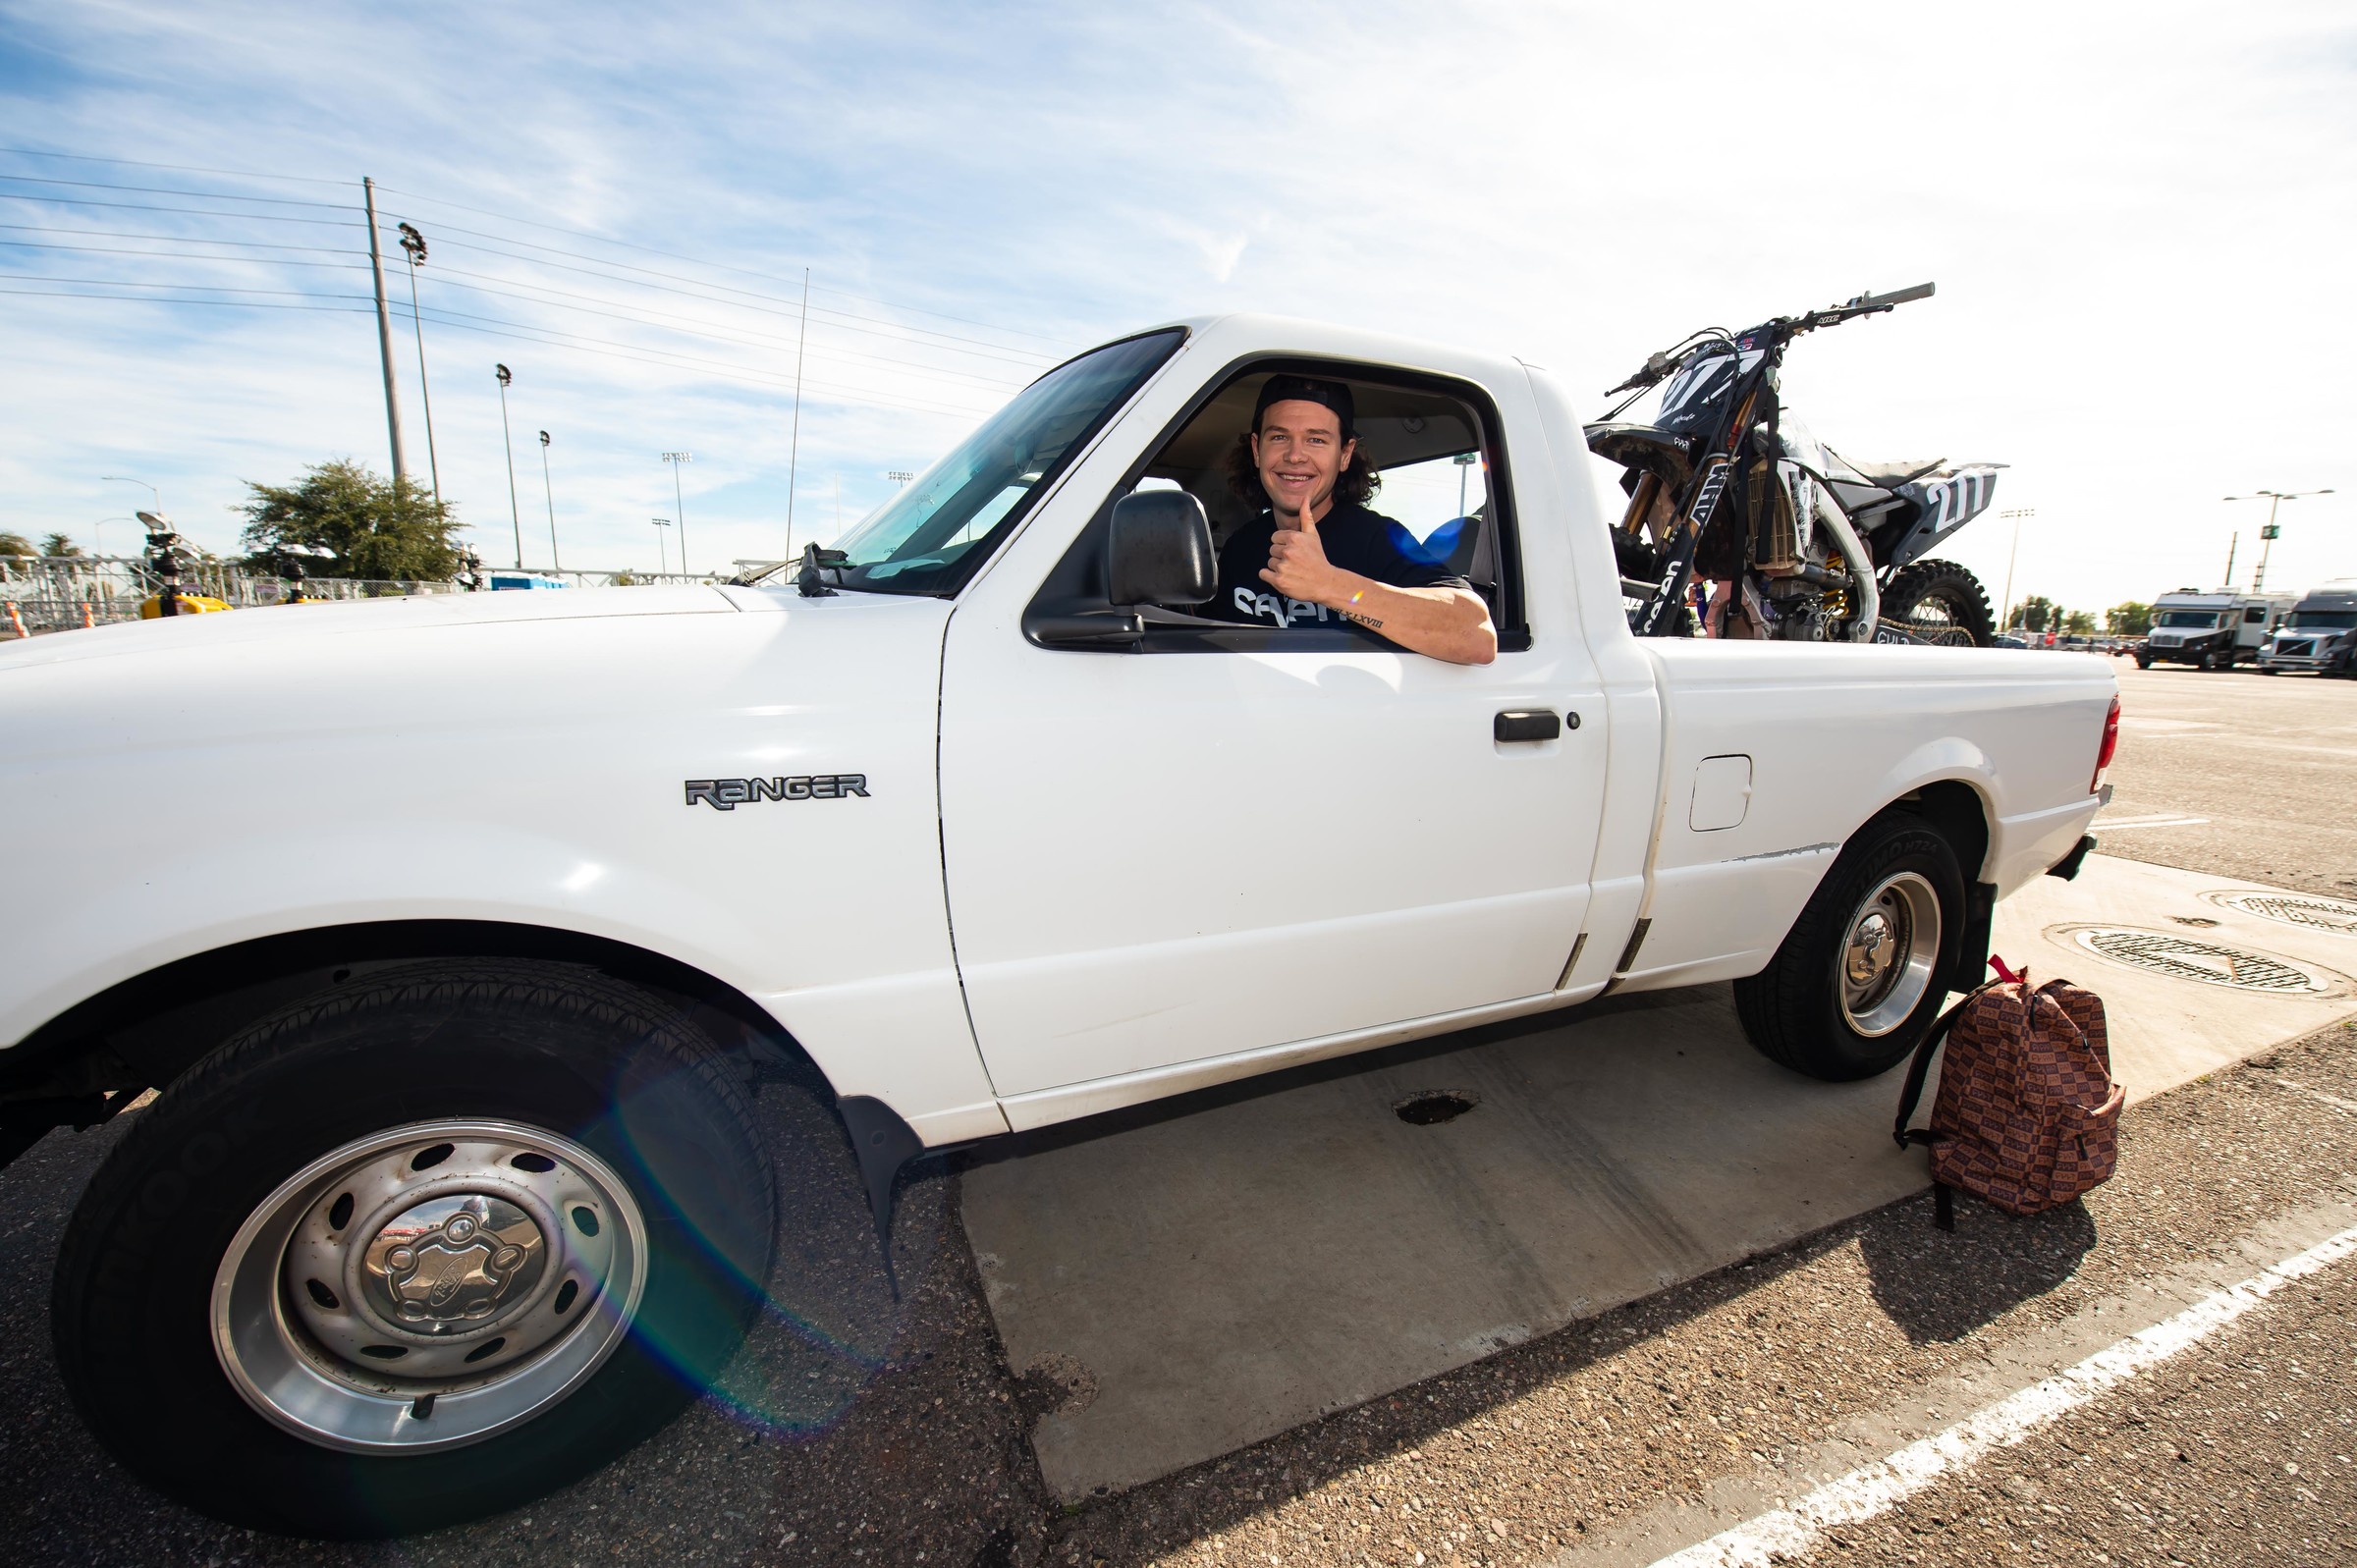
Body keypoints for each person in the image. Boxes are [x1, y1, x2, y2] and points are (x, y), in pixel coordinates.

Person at [1202, 375, 1497, 665]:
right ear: (1257, 450)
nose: (1294, 456)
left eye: (1316, 439)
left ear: (1345, 455)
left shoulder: (1376, 538)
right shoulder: (1240, 547)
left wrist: (1329, 584)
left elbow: (1476, 635)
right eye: (1279, 437)